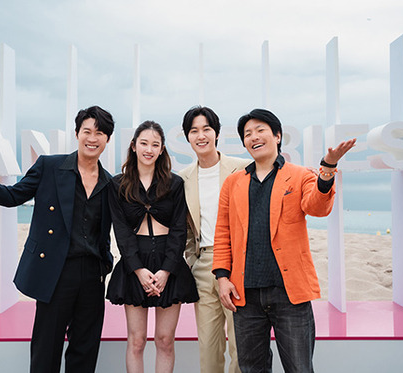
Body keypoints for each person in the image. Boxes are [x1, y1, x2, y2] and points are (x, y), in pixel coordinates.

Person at [0, 106, 115, 373]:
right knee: (46, 349)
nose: (92, 138)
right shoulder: (50, 166)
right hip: (56, 271)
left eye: (99, 133)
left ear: (107, 139)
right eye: (87, 131)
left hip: (92, 275)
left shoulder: (110, 183)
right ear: (76, 134)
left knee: (85, 351)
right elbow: (9, 197)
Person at [212, 108, 356, 373]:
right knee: (252, 369)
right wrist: (222, 278)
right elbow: (222, 233)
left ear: (277, 136)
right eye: (247, 134)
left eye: (260, 130)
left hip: (290, 294)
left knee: (299, 368)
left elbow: (318, 207)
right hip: (246, 296)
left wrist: (328, 168)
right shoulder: (233, 183)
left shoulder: (299, 175)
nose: (254, 137)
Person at [106, 120, 199, 373]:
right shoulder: (117, 185)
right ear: (134, 146)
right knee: (136, 341)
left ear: (162, 149)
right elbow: (121, 232)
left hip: (168, 264)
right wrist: (137, 269)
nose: (149, 149)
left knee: (165, 340)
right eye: (144, 143)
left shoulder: (175, 183)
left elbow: (180, 230)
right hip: (134, 263)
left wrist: (167, 270)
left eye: (155, 144)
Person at [178, 106, 249, 373]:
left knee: (241, 346)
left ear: (216, 133)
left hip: (238, 263)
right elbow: (184, 227)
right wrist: (192, 259)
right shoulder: (183, 178)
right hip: (203, 263)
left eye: (206, 129)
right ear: (187, 137)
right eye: (194, 130)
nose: (201, 135)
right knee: (208, 346)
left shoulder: (241, 168)